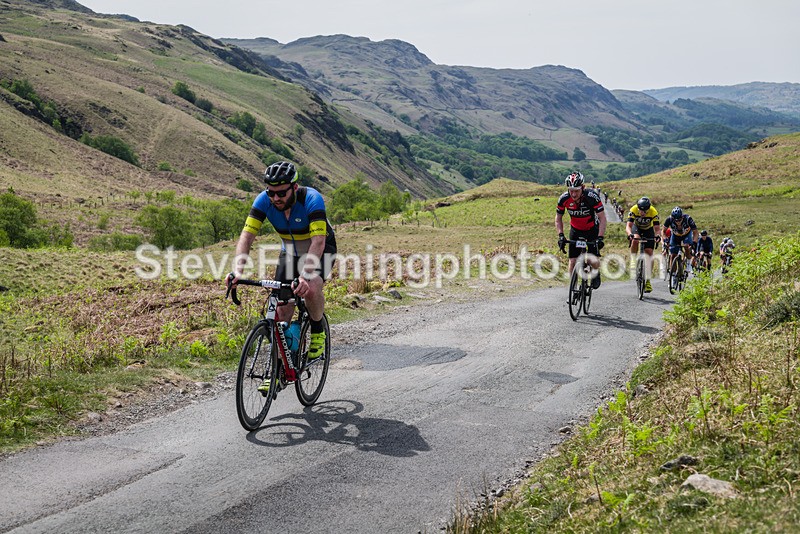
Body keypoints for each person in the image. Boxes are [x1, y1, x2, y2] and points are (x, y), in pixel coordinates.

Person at [227, 161, 337, 391]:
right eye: (271, 192)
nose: (275, 198)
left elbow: (318, 241)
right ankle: (278, 370)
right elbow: (246, 236)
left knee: (313, 287)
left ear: (294, 188)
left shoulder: (312, 199)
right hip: (290, 252)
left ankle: (317, 331)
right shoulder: (263, 200)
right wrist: (238, 271)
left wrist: (306, 276)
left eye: (281, 193)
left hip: (320, 249)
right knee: (281, 313)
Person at [555, 172, 607, 288]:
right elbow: (558, 218)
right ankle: (572, 287)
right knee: (573, 260)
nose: (573, 194)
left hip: (592, 229)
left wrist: (600, 237)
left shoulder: (591, 197)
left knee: (592, 258)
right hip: (576, 230)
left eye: (576, 191)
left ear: (583, 188)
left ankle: (595, 273)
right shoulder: (564, 198)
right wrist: (561, 236)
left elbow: (602, 217)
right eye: (571, 190)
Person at [625, 196, 661, 293]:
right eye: (640, 210)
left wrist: (657, 236)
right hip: (637, 228)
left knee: (649, 253)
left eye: (645, 211)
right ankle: (633, 260)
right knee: (635, 239)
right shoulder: (633, 209)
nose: (642, 213)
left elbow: (657, 229)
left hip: (648, 230)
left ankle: (648, 280)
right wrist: (630, 234)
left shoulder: (653, 212)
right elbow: (628, 226)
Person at [661, 206, 698, 276]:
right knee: (672, 255)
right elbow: (663, 231)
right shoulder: (669, 219)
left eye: (680, 220)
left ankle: (689, 264)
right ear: (673, 218)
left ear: (682, 217)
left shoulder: (688, 219)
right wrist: (665, 239)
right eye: (676, 220)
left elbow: (695, 232)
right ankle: (673, 274)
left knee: (686, 246)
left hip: (686, 235)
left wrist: (694, 243)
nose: (678, 222)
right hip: (675, 236)